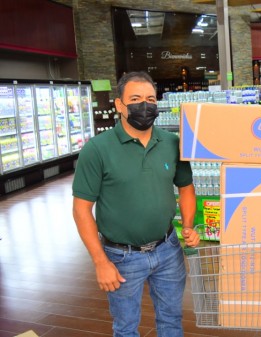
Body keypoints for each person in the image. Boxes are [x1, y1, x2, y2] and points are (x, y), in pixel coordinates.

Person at [72, 71, 199, 337]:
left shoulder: (172, 143)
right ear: (119, 104)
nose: (145, 105)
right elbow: (81, 209)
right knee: (126, 327)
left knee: (172, 319)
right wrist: (100, 261)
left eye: (151, 99)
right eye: (136, 98)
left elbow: (186, 188)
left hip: (168, 250)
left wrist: (188, 225)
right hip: (121, 257)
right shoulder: (97, 149)